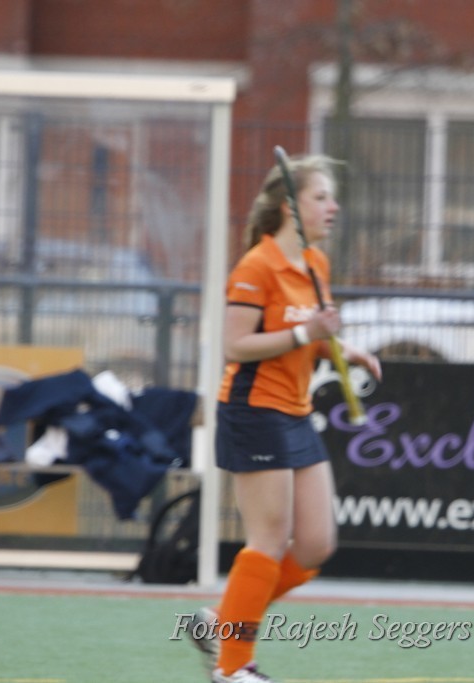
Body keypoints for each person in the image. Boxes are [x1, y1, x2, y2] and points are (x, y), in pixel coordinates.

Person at [188, 153, 382, 683]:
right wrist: (306, 334)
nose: (333, 207)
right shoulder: (257, 266)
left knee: (316, 545)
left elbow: (312, 334)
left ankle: (223, 622)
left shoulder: (316, 263)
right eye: (321, 197)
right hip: (254, 410)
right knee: (268, 540)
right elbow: (236, 345)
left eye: (332, 197)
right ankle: (233, 667)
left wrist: (344, 349)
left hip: (295, 412)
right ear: (289, 206)